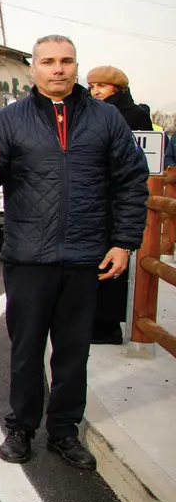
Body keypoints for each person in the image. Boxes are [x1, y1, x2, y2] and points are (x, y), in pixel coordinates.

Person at [0, 35, 149, 470]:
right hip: (28, 255)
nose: (58, 69)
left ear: (75, 65)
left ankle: (65, 431)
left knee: (73, 351)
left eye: (66, 61)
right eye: (48, 62)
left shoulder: (106, 119)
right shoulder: (10, 120)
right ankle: (21, 428)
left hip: (86, 256)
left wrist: (124, 243)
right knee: (27, 348)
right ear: (34, 68)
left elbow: (131, 182)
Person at [86, 65, 154, 345]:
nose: (96, 91)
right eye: (92, 86)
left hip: (116, 197)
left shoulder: (134, 116)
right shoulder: (89, 112)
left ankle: (108, 325)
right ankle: (93, 321)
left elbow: (142, 162)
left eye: (102, 85)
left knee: (112, 260)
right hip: (93, 197)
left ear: (118, 87)